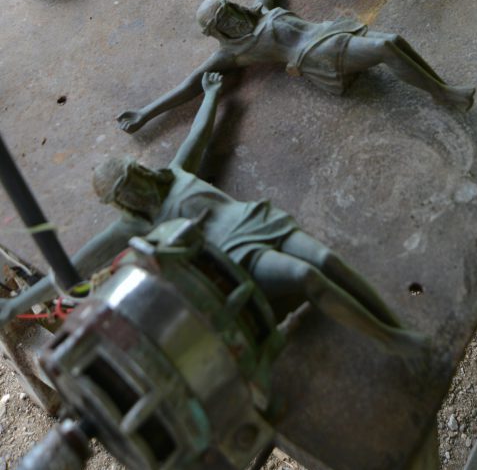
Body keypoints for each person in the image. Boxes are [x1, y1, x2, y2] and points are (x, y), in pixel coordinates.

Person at [0, 73, 424, 361]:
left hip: (260, 221)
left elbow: (199, 136)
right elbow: (72, 268)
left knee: (328, 260)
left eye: (132, 178)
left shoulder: (176, 175)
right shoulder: (137, 225)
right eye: (124, 192)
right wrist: (16, 305)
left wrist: (211, 95)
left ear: (140, 171)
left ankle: (394, 326)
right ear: (121, 203)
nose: (135, 189)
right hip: (239, 257)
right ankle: (389, 340)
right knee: (305, 276)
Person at [117, 0, 475, 134]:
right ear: (218, 33)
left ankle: (441, 89)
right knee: (387, 46)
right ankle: (443, 93)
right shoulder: (235, 52)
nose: (232, 21)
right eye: (222, 24)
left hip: (331, 32)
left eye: (229, 12)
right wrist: (145, 114)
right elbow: (190, 84)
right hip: (318, 56)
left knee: (393, 41)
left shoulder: (262, 11)